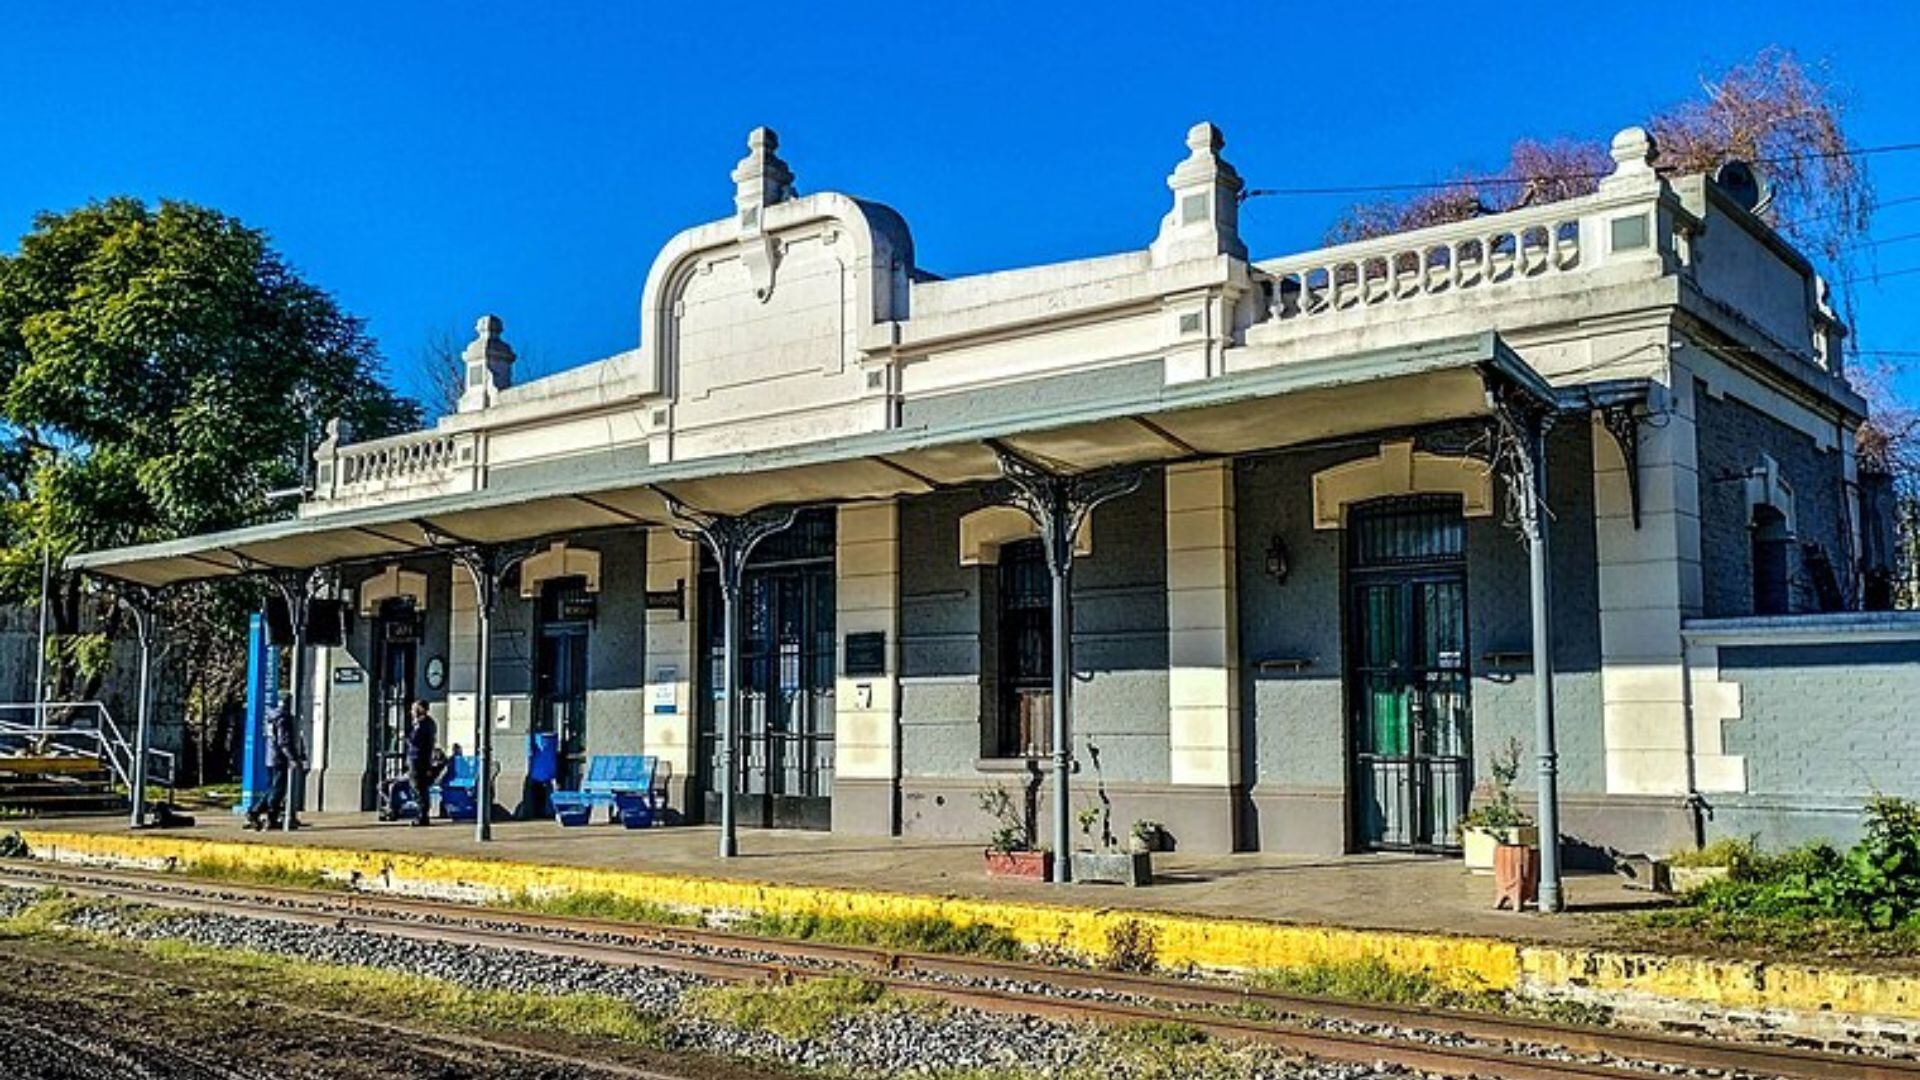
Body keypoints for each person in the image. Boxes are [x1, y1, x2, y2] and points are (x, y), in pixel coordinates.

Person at [246, 697, 306, 830]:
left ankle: (258, 812)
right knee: (278, 790)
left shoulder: (272, 716)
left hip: (271, 756)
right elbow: (283, 741)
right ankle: (265, 814)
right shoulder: (283, 719)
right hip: (279, 757)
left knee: (273, 787)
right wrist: (293, 758)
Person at [405, 700, 439, 827]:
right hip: (423, 759)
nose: (412, 712)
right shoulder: (430, 723)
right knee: (421, 787)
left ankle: (422, 815)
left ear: (421, 709)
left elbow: (415, 741)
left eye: (414, 709)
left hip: (418, 759)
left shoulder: (422, 724)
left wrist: (406, 736)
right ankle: (423, 814)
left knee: (418, 787)